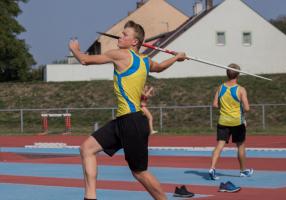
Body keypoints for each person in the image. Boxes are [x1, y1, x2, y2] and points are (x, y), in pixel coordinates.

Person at [69, 20, 188, 200]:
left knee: (140, 172)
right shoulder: (146, 61)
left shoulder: (121, 55)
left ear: (134, 42)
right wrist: (177, 57)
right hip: (123, 121)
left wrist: (74, 48)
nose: (120, 36)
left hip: (132, 122)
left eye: (125, 34)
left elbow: (85, 60)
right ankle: (90, 197)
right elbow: (161, 67)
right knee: (86, 149)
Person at [209, 63, 253, 180]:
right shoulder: (241, 89)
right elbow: (247, 108)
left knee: (219, 145)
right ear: (238, 75)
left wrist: (224, 108)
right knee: (240, 146)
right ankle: (243, 171)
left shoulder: (220, 87)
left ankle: (212, 168)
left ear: (227, 74)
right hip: (237, 122)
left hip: (223, 121)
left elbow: (214, 104)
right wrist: (241, 109)